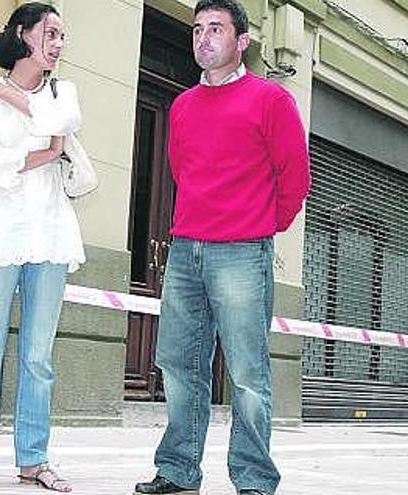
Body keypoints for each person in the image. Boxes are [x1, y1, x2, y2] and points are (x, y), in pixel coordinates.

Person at [134, 1, 310, 494]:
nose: (203, 38)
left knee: (247, 373)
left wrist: (260, 226)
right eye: (197, 29)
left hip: (241, 251)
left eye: (216, 29)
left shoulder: (271, 100)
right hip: (186, 248)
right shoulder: (184, 105)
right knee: (179, 364)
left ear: (242, 41)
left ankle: (254, 479)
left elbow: (294, 177)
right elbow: (180, 171)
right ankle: (177, 472)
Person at [0, 2, 84, 491]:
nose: (59, 43)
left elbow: (62, 123)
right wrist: (44, 150)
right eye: (51, 32)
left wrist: (3, 93)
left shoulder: (62, 90)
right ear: (24, 34)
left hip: (50, 234)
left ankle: (34, 459)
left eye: (63, 35)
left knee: (38, 357)